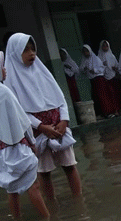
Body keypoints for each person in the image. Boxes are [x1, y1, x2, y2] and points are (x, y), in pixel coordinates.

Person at [0, 50, 50, 219]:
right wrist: (32, 143)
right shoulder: (2, 92)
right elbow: (21, 121)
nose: (4, 68)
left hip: (0, 150)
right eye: (0, 65)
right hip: (18, 146)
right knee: (33, 185)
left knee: (12, 189)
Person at [5, 33, 82, 202]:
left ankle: (79, 201)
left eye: (33, 49)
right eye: (25, 50)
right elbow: (18, 111)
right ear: (14, 53)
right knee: (44, 172)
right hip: (38, 133)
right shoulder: (10, 81)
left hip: (59, 127)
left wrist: (64, 121)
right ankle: (52, 204)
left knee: (70, 165)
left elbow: (60, 99)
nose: (31, 53)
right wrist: (41, 127)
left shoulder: (42, 72)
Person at [80, 44, 118, 118]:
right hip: (93, 80)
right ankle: (101, 113)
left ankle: (108, 112)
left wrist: (94, 70)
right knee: (96, 98)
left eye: (87, 51)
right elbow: (81, 69)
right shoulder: (84, 60)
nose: (85, 53)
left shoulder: (95, 59)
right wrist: (84, 69)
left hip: (99, 79)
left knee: (103, 96)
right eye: (84, 51)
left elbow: (102, 68)